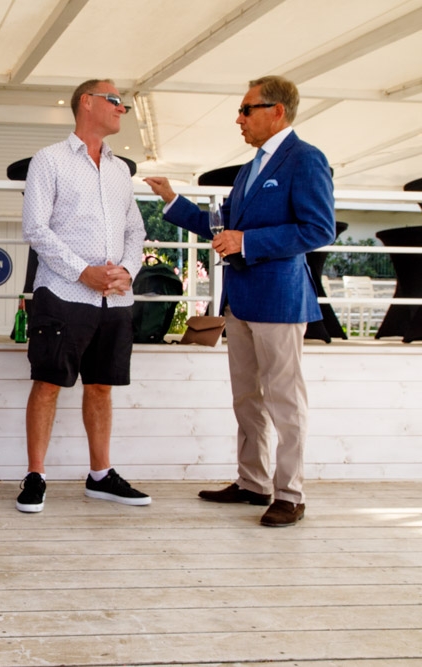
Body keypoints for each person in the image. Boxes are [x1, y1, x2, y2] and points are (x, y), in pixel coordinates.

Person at [144, 75, 334, 528]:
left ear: (277, 111)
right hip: (243, 301)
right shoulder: (251, 167)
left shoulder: (305, 159)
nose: (239, 118)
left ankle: (290, 494)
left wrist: (247, 241)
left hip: (281, 301)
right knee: (246, 398)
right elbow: (222, 226)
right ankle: (253, 483)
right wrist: (173, 201)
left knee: (285, 400)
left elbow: (319, 229)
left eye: (247, 110)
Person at [17, 78, 150, 514]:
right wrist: (83, 272)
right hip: (62, 294)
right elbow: (36, 228)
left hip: (114, 300)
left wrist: (127, 269)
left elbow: (136, 229)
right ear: (87, 103)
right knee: (48, 384)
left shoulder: (120, 170)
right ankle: (35, 476)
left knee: (101, 387)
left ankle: (100, 476)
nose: (122, 109)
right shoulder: (49, 160)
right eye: (114, 100)